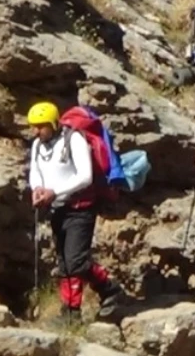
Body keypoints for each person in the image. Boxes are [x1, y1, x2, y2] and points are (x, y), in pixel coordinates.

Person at [27, 101, 125, 320]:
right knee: (65, 261)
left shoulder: (75, 140)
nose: (35, 131)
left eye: (40, 126)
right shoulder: (37, 145)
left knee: (76, 260)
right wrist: (37, 189)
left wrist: (55, 192)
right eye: (33, 126)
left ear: (52, 123)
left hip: (81, 208)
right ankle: (72, 310)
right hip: (57, 208)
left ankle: (105, 291)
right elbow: (35, 171)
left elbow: (85, 176)